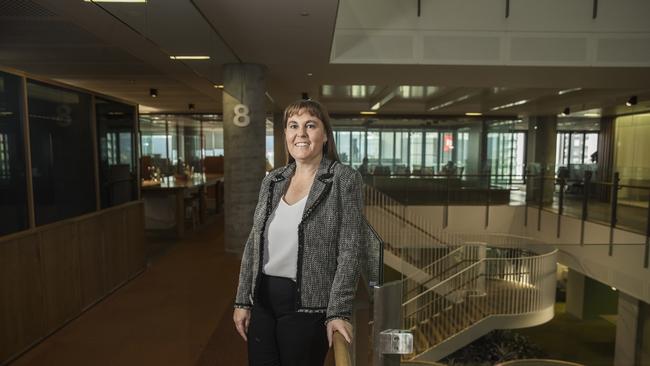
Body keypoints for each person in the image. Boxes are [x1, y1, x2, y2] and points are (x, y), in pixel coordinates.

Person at [233, 99, 365, 366]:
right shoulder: (273, 180)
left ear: (325, 134)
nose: (300, 134)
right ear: (286, 134)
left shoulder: (344, 179)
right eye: (293, 126)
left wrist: (338, 311)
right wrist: (242, 301)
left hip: (309, 306)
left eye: (310, 125)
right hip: (263, 300)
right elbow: (253, 242)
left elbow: (351, 250)